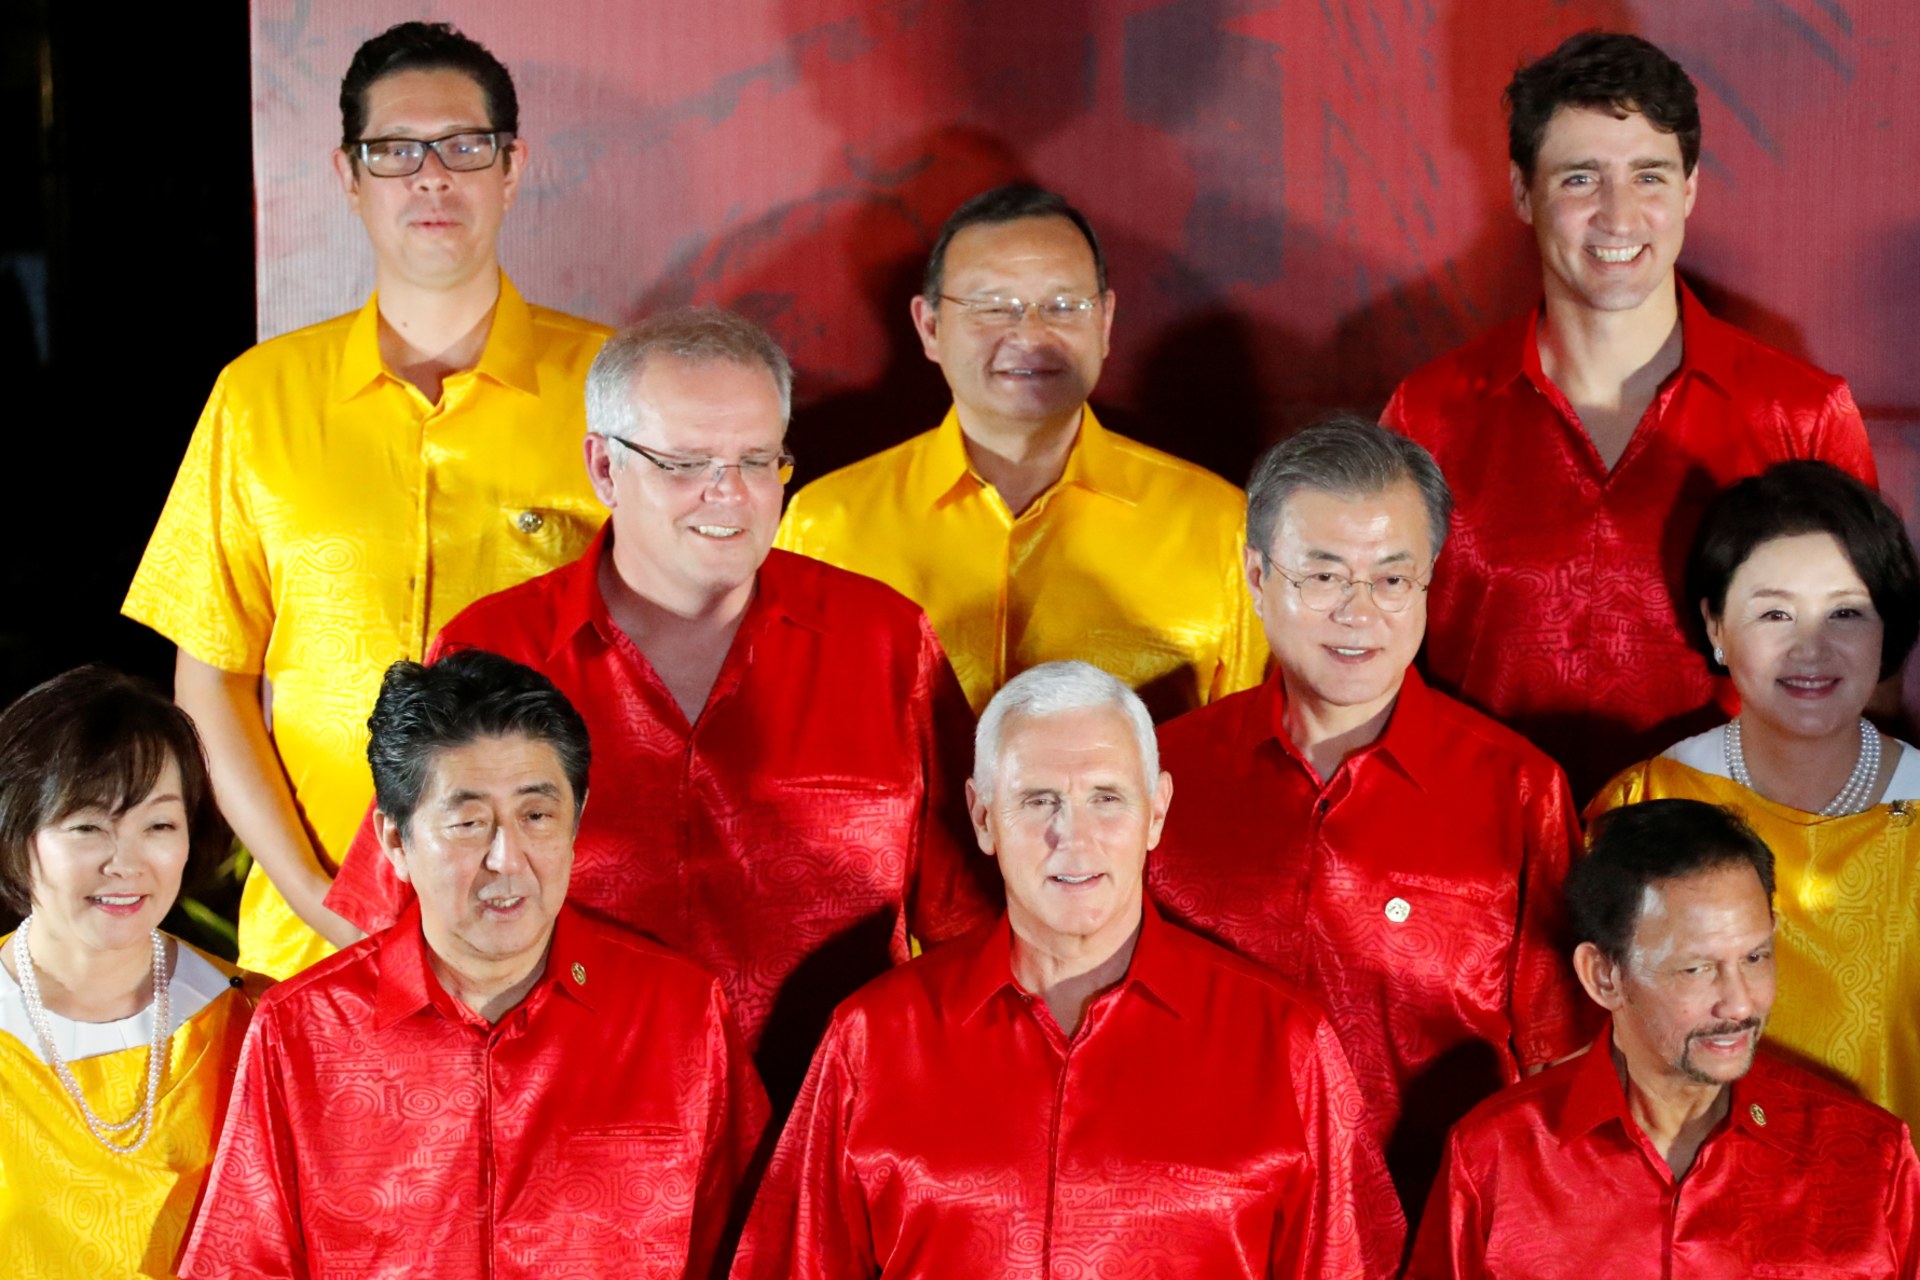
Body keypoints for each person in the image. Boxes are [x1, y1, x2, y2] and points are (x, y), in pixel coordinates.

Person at [324, 308, 998, 1105]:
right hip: (565, 1128)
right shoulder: (493, 650)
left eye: (757, 461)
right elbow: (391, 927)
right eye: (686, 463)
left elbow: (973, 932)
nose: (730, 494)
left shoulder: (884, 641)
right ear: (603, 468)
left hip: (839, 1134)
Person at [123, 22, 613, 980]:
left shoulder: (613, 388)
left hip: (561, 935)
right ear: (348, 176)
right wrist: (316, 896)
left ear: (512, 168)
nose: (430, 178)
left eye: (463, 146)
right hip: (312, 942)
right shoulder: (259, 398)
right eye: (395, 151)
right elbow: (211, 680)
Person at [731, 661, 1405, 1279]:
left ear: (1156, 811)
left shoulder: (1285, 1045)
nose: (1073, 836)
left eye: (1106, 798)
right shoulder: (870, 1040)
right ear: (983, 818)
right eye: (1038, 800)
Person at [1382, 30, 1876, 800]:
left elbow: (1860, 673)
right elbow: (1372, 659)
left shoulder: (1802, 415)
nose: (1619, 217)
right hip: (1478, 844)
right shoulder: (1428, 414)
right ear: (1522, 192)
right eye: (1581, 178)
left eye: (1649, 176)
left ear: (1689, 189)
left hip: (1731, 849)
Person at [181, 650, 767, 1279]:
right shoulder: (301, 1032)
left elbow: (756, 1256)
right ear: (395, 840)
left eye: (536, 816)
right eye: (467, 823)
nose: (506, 859)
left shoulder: (679, 1016)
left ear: (576, 819)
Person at [1150, 417, 1589, 1214]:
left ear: (1429, 580)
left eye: (1391, 580)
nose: (1359, 614)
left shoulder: (1518, 789)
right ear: (1256, 575)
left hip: (1432, 1228)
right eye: (1323, 577)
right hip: (1197, 1224)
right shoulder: (1162, 775)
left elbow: (1560, 1066)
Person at [775, 183, 1265, 721]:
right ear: (930, 327)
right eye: (992, 307)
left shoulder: (1218, 526)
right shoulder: (826, 526)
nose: (1030, 335)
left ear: (1104, 323)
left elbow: (1251, 748)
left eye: (1062, 306)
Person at [1407, 800, 1919, 1277]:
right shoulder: (1496, 1157)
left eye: (1755, 957)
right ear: (1604, 976)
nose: (1740, 1005)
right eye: (1696, 969)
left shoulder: (1869, 1159)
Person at [1589, 460, 1920, 1134]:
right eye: (1774, 613)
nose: (1810, 648)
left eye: (1845, 613)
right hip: (1689, 1188)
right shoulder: (1643, 802)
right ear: (1715, 625)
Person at [0, 666, 265, 1279]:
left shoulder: (257, 1023)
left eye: (158, 825)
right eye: (88, 826)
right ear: (17, 833)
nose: (126, 863)